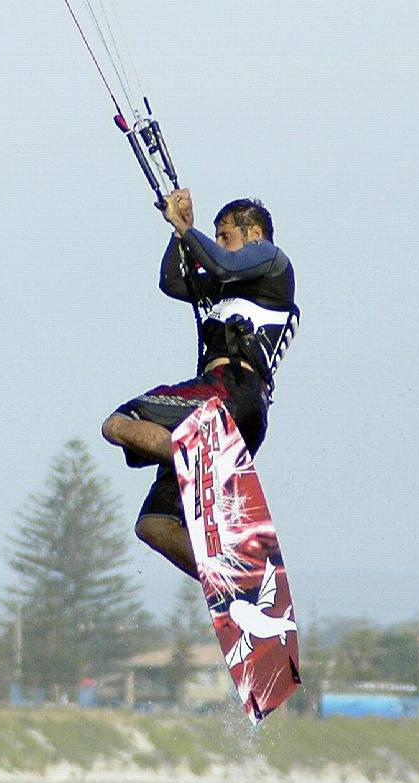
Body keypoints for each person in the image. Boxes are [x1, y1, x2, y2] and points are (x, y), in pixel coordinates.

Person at [102, 189, 299, 579]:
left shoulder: (272, 262)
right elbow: (174, 282)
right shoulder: (227, 288)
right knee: (155, 525)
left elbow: (223, 264)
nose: (220, 242)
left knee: (118, 424)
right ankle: (234, 580)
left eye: (225, 234)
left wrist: (186, 226)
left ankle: (200, 463)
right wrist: (179, 235)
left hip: (232, 393)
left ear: (254, 233)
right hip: (222, 405)